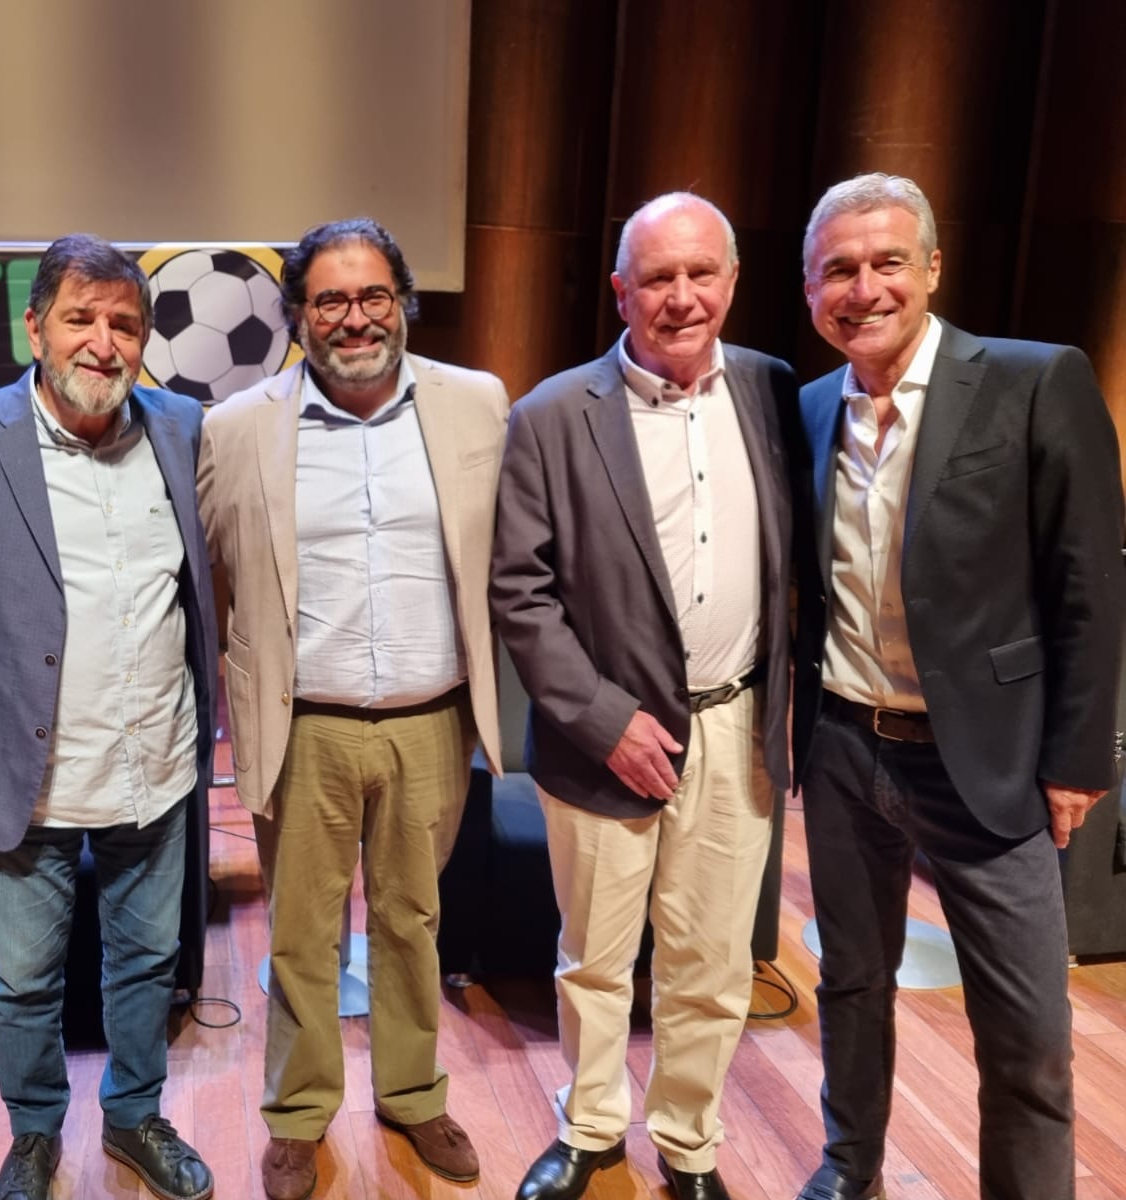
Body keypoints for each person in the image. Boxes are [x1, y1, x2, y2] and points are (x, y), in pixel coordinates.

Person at [790, 172, 1125, 1200]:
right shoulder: (807, 407)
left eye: (887, 260)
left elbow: (1089, 582)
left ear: (932, 268)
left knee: (1024, 1025)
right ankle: (849, 1168)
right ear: (811, 291)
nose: (864, 287)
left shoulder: (1033, 379)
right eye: (838, 269)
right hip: (846, 744)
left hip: (984, 758)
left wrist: (1076, 759)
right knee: (850, 985)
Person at [491, 193, 795, 1200]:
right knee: (594, 959)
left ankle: (691, 1144)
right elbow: (520, 594)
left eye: (699, 273)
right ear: (621, 291)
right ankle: (588, 1130)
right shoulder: (547, 416)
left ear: (732, 281)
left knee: (711, 962)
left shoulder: (770, 392)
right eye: (656, 278)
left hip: (740, 729)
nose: (680, 297)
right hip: (600, 742)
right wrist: (602, 718)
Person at [196, 218, 506, 1200]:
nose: (355, 316)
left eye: (374, 294)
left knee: (413, 920)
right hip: (307, 725)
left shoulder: (476, 405)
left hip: (431, 720)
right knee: (302, 932)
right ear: (297, 316)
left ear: (403, 303)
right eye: (329, 299)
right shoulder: (237, 426)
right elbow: (214, 576)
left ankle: (413, 1096)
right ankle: (296, 1114)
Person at [0, 234, 216, 1200]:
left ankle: (137, 1116)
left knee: (146, 967)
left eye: (124, 324)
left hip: (158, 762)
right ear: (34, 326)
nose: (104, 342)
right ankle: (32, 1133)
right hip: (28, 771)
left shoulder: (181, 426)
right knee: (23, 981)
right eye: (81, 318)